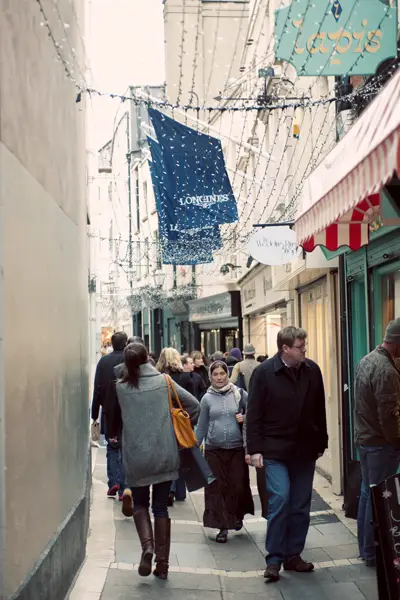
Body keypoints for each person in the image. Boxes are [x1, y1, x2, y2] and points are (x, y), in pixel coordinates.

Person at [108, 343, 200, 579]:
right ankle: (163, 564)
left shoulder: (121, 387)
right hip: (165, 454)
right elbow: (194, 405)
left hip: (136, 457)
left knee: (140, 504)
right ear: (148, 359)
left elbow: (114, 416)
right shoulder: (164, 382)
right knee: (160, 507)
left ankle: (147, 547)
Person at [246, 326, 328, 582]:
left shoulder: (312, 370)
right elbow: (254, 413)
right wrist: (254, 449)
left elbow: (319, 408)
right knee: (280, 499)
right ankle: (274, 559)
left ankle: (294, 556)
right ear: (285, 349)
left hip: (304, 450)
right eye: (300, 347)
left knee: (301, 504)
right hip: (274, 450)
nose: (305, 350)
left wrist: (321, 441)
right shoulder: (263, 373)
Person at [354, 318, 400, 567]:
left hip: (366, 440)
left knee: (367, 493)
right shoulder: (386, 370)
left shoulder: (367, 359)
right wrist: (397, 442)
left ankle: (366, 549)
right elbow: (389, 415)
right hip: (380, 444)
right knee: (378, 496)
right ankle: (372, 552)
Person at [196, 361, 254, 543]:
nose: (220, 377)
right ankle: (223, 527)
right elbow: (202, 426)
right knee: (217, 489)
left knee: (237, 486)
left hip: (236, 449)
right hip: (214, 451)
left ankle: (237, 515)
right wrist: (193, 448)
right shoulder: (206, 399)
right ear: (210, 377)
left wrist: (244, 417)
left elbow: (255, 411)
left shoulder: (239, 394)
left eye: (223, 373)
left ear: (227, 375)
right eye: (216, 374)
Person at [91, 331, 128, 500]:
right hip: (128, 412)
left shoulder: (103, 362)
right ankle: (124, 487)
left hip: (109, 412)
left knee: (112, 448)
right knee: (126, 449)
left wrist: (94, 414)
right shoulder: (129, 361)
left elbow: (97, 388)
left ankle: (113, 481)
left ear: (112, 344)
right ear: (126, 343)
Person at [156, 348, 195, 505]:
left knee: (168, 456)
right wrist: (189, 422)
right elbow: (193, 401)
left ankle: (169, 490)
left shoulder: (158, 378)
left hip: (164, 421)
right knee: (181, 455)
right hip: (181, 421)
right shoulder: (186, 377)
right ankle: (179, 492)